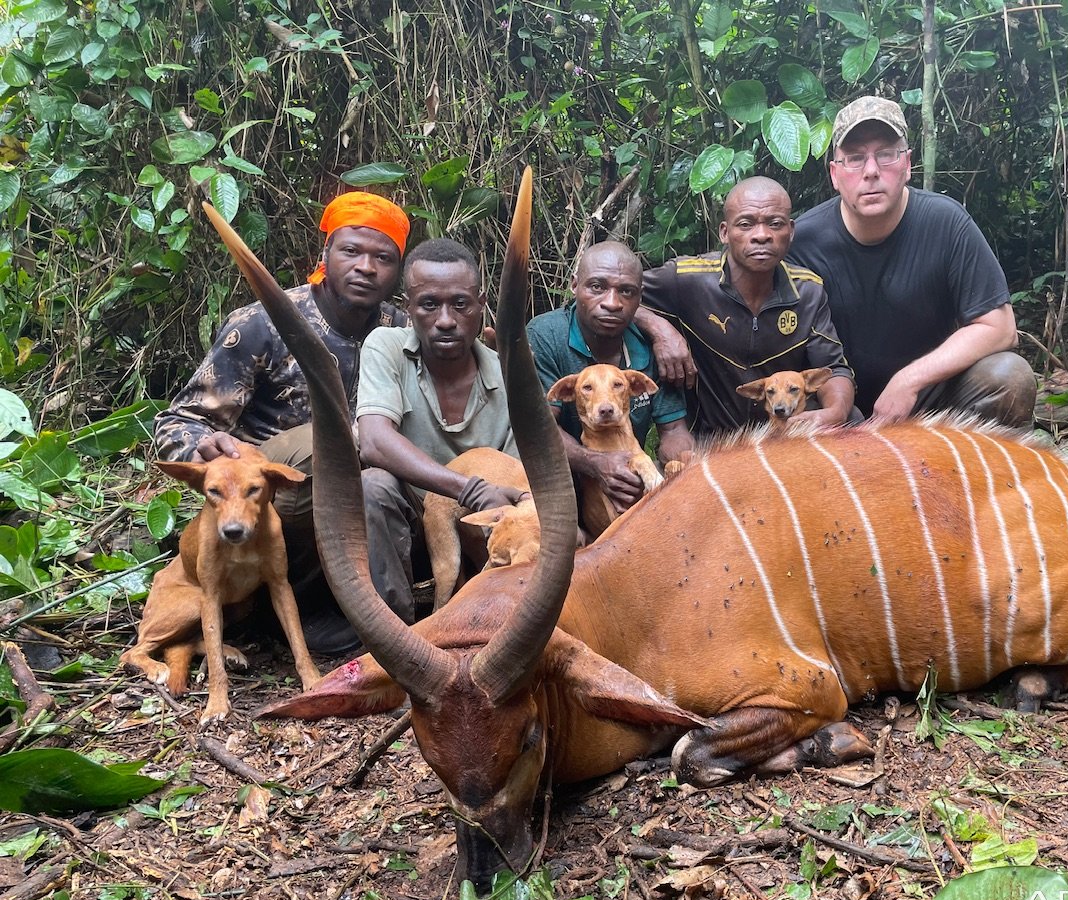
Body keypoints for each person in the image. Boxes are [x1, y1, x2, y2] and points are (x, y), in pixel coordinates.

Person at [153, 191, 411, 653]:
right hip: (273, 494)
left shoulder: (400, 327)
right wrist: (203, 446)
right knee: (327, 446)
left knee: (381, 477)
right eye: (351, 251)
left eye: (383, 258)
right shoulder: (263, 322)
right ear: (325, 253)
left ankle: (374, 618)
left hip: (361, 487)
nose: (366, 267)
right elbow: (178, 420)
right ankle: (291, 611)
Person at [786, 95, 1037, 426]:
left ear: (907, 164)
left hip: (927, 401)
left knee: (1009, 377)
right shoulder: (802, 240)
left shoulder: (946, 221)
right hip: (837, 407)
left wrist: (910, 380)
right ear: (835, 174)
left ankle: (986, 475)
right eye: (855, 159)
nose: (871, 171)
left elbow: (1000, 328)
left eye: (886, 155)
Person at [356, 238, 527, 623]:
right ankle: (396, 634)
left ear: (481, 304)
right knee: (374, 487)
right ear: (408, 308)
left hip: (480, 530)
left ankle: (494, 619)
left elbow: (518, 480)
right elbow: (375, 441)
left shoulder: (508, 373)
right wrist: (470, 489)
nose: (446, 319)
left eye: (460, 304)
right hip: (407, 527)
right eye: (430, 304)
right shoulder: (386, 347)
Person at [634, 177, 854, 437]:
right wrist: (660, 330)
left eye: (774, 224)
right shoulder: (687, 279)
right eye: (746, 224)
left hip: (785, 437)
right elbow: (616, 299)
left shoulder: (807, 291)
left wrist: (834, 414)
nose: (761, 236)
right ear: (725, 232)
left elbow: (833, 368)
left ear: (791, 231)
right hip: (711, 442)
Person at [528, 241, 694, 516]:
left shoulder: (654, 346)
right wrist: (596, 463)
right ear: (574, 286)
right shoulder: (546, 336)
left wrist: (684, 473)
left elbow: (674, 430)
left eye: (626, 291)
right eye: (597, 287)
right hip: (561, 481)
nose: (612, 303)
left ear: (639, 297)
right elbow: (540, 430)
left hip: (632, 474)